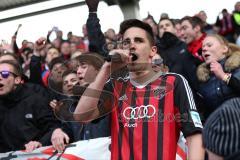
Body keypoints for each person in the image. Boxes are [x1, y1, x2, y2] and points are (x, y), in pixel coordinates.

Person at [74, 19, 204, 160]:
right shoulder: (114, 85)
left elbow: (194, 135)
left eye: (138, 41)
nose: (131, 46)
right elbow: (81, 116)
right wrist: (106, 69)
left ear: (152, 50)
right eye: (126, 42)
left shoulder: (174, 82)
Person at [50, 53, 110, 152]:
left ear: (98, 70)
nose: (78, 72)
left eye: (83, 67)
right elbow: (68, 131)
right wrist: (58, 131)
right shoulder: (73, 105)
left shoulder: (114, 97)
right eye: (77, 67)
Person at [0, 60, 60, 152]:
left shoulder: (35, 100)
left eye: (4, 74)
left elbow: (53, 127)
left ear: (17, 80)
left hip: (33, 155)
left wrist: (40, 143)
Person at [196, 34, 240, 118]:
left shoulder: (238, 66)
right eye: (203, 48)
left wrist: (224, 77)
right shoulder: (203, 80)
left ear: (224, 49)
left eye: (209, 45)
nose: (204, 49)